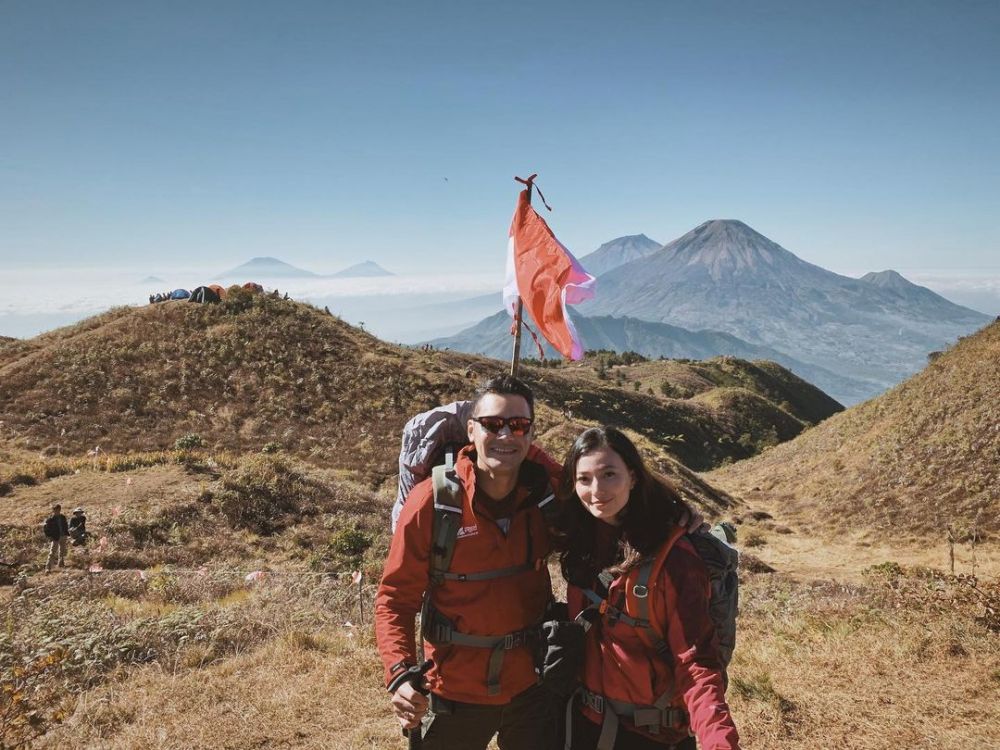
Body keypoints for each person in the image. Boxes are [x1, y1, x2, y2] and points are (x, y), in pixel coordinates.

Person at [375, 375, 563, 750]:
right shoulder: (433, 502)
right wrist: (400, 674)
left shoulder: (547, 493)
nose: (506, 435)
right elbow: (395, 598)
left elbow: (609, 498)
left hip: (532, 682)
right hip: (453, 688)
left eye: (519, 425)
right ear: (472, 431)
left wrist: (676, 513)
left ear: (532, 435)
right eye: (493, 425)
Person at [555, 426, 740, 750]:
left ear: (634, 476)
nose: (596, 489)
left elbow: (696, 664)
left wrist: (720, 743)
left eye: (609, 474)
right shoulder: (581, 539)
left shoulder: (674, 560)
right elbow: (508, 457)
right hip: (584, 725)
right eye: (584, 479)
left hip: (650, 736)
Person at [43, 503, 70, 572]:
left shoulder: (62, 517)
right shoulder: (50, 519)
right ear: (53, 510)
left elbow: (66, 525)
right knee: (52, 552)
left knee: (62, 551)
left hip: (63, 535)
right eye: (56, 510)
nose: (57, 511)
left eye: (58, 510)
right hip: (55, 537)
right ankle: (48, 567)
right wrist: (49, 536)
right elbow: (46, 529)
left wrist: (66, 533)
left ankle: (61, 564)